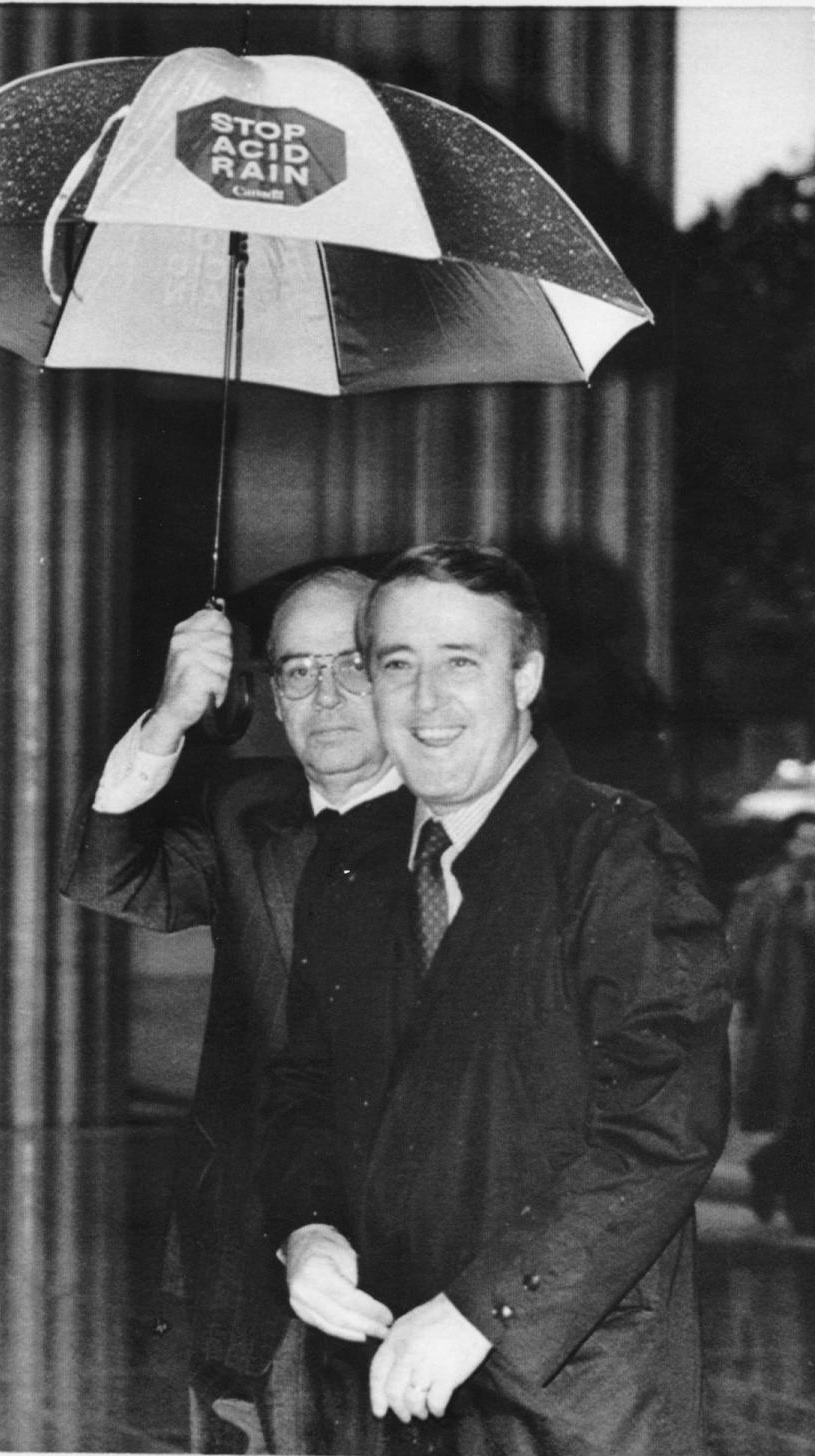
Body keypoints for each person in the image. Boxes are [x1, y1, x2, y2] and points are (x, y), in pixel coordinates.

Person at [261, 541, 732, 1456]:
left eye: (460, 664)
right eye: (395, 665)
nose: (426, 702)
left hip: (564, 1396)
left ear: (526, 677)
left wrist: (483, 1310)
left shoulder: (617, 855)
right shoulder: (350, 863)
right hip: (371, 1385)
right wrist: (305, 1227)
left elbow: (661, 1131)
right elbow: (301, 1091)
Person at [60, 567, 408, 1453]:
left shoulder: (464, 821)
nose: (325, 695)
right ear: (270, 697)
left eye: (354, 665)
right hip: (243, 1229)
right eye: (297, 671)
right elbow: (109, 877)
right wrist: (172, 716)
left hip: (409, 1235)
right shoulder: (245, 808)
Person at [728, 810, 815, 1234]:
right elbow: (739, 955)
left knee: (805, 1116)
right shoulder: (764, 892)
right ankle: (801, 1202)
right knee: (797, 1113)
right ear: (787, 845)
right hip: (784, 1021)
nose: (811, 850)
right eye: (804, 841)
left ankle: (770, 1169)